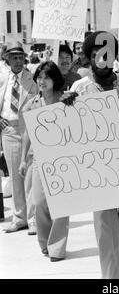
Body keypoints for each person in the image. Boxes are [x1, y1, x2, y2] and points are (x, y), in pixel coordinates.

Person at [62, 31, 119, 279]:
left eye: (107, 55)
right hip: (98, 174)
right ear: (88, 57)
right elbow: (69, 133)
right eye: (96, 56)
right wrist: (66, 108)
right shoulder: (79, 89)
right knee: (107, 238)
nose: (102, 60)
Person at [19, 62, 69, 261]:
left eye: (46, 77)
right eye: (39, 77)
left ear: (54, 79)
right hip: (40, 159)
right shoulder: (32, 104)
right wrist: (23, 160)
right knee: (39, 202)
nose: (42, 81)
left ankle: (57, 248)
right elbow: (27, 134)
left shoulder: (65, 100)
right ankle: (45, 242)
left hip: (63, 158)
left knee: (61, 205)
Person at [0, 43, 37, 234]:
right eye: (13, 57)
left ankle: (33, 219)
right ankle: (19, 217)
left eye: (20, 57)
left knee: (29, 176)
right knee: (15, 175)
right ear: (7, 59)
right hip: (9, 130)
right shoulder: (2, 78)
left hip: (28, 131)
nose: (17, 60)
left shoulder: (32, 79)